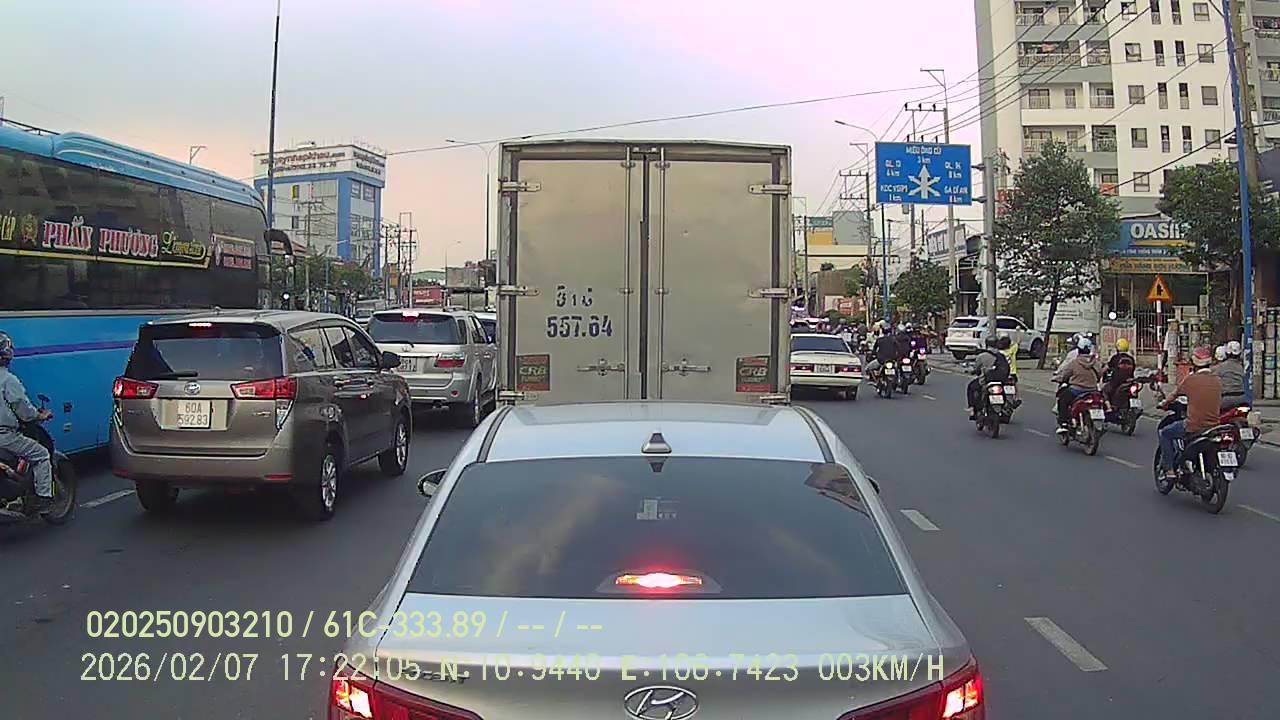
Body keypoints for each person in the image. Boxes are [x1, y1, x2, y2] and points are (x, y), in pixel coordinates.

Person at [0, 332, 55, 514]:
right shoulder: (8, 380)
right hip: (5, 436)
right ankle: (43, 498)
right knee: (42, 455)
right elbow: (23, 410)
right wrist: (40, 415)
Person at [1157, 346, 1222, 479]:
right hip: (1214, 427)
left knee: (1165, 433)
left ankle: (1169, 469)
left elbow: (1173, 395)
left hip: (1194, 426)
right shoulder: (1218, 380)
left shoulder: (1190, 380)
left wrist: (1163, 403)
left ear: (1194, 364)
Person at [1051, 336, 1105, 432]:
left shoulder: (1074, 363)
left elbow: (1065, 375)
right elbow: (1100, 374)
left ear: (1079, 349)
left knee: (1062, 398)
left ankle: (1063, 423)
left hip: (1076, 390)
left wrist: (1057, 378)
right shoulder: (1095, 363)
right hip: (1093, 390)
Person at [966, 336, 1010, 419]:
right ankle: (1005, 409)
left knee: (971, 387)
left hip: (986, 381)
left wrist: (972, 371)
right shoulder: (1001, 356)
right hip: (1001, 381)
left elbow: (976, 368)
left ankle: (972, 409)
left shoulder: (982, 356)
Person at [1214, 340, 1246, 409]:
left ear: (1226, 353)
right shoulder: (1241, 367)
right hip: (1241, 397)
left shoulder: (1220, 367)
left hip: (1226, 398)